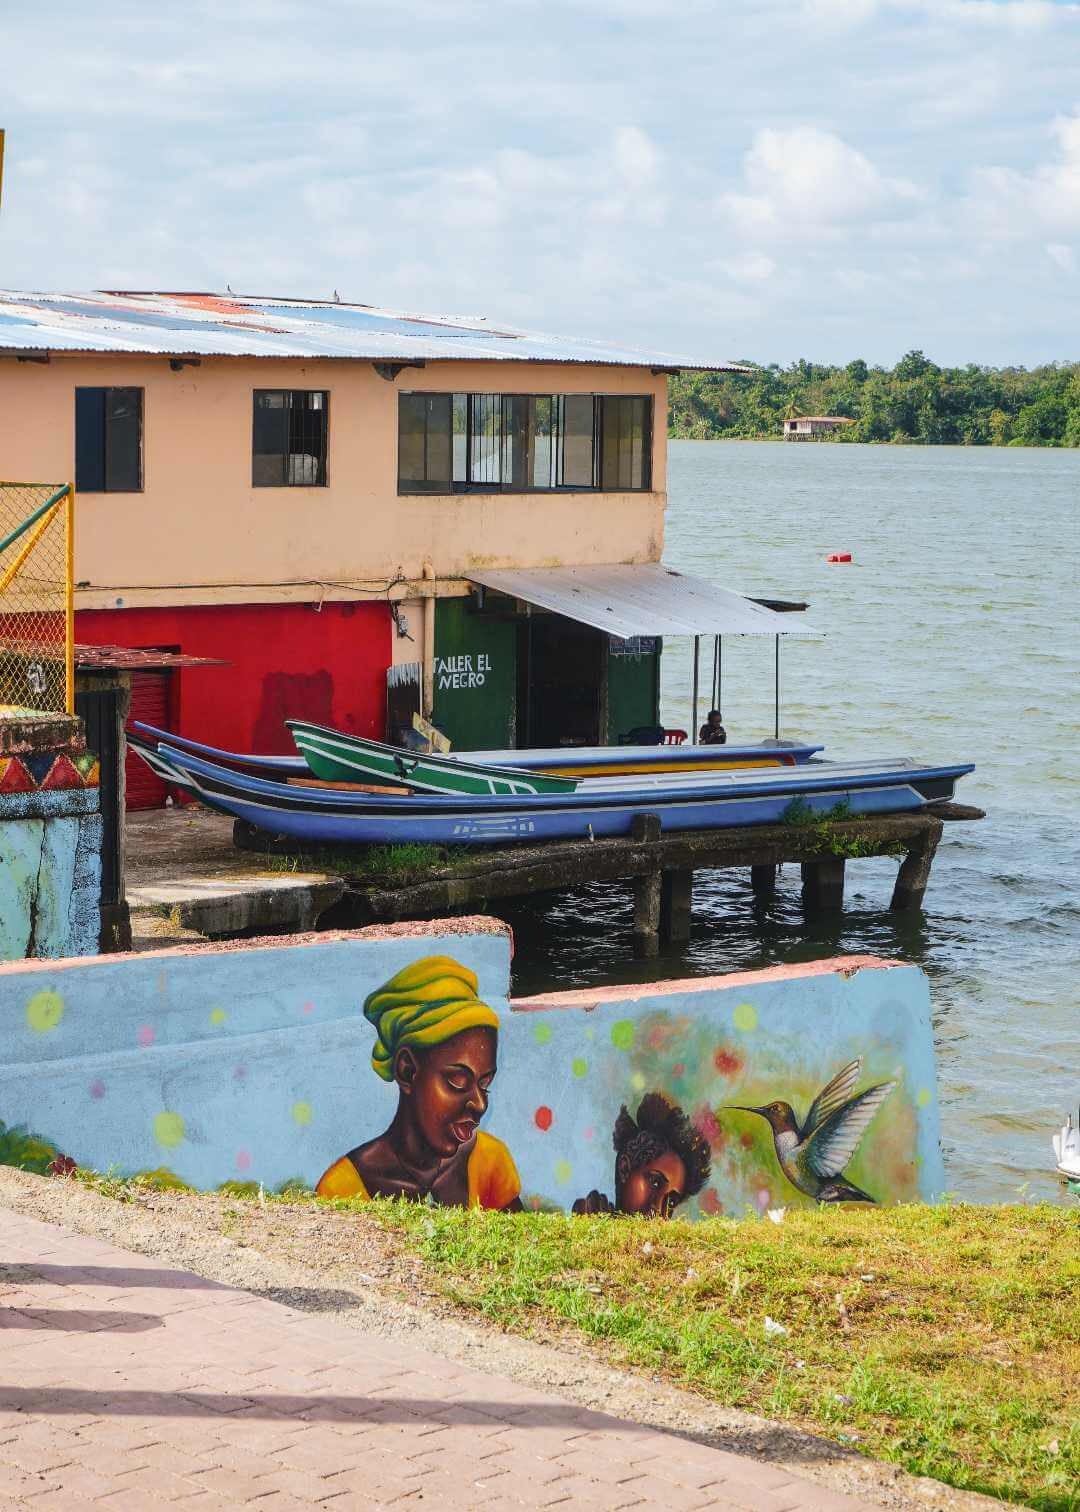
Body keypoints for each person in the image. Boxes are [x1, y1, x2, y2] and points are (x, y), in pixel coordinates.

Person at [316, 956, 522, 1210]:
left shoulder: (490, 1161)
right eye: (457, 1081)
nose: (479, 1104)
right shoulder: (342, 1190)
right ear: (407, 1070)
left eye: (485, 1084)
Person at [572, 1091, 711, 1219]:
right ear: (624, 1168)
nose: (657, 1210)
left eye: (671, 1202)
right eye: (655, 1183)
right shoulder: (593, 1223)